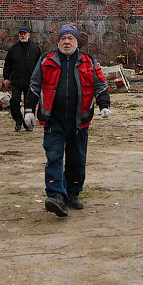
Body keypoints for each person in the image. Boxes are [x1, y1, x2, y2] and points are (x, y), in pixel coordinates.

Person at [25, 24, 111, 217]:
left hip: (79, 120)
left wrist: (104, 105)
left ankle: (72, 193)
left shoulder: (88, 61)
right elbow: (34, 85)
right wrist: (29, 110)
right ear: (58, 42)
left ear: (76, 41)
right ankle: (56, 196)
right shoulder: (46, 60)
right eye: (63, 38)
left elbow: (100, 84)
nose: (66, 42)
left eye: (70, 39)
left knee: (76, 159)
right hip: (53, 119)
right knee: (54, 156)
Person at [2, 26, 43, 132]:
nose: (23, 35)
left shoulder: (36, 49)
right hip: (16, 81)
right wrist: (6, 78)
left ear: (29, 35)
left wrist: (41, 80)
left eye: (24, 33)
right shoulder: (13, 49)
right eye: (21, 33)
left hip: (31, 82)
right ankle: (18, 121)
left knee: (29, 104)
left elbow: (41, 66)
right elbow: (8, 64)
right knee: (14, 101)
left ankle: (28, 124)